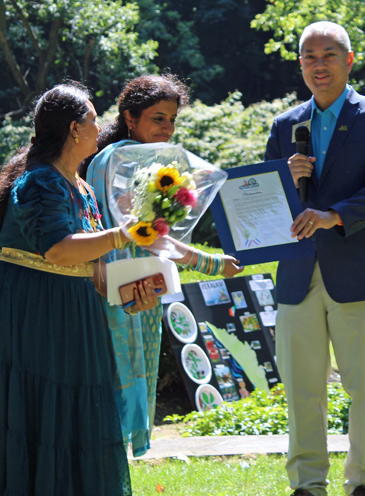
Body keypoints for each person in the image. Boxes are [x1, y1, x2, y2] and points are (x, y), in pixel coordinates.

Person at [0, 83, 157, 496]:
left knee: (72, 418)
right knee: (34, 415)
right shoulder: (38, 182)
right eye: (93, 119)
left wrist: (132, 296)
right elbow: (59, 250)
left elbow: (94, 271)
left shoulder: (82, 189)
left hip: (74, 311)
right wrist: (125, 234)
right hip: (28, 310)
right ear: (73, 129)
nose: (100, 128)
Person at [264, 22, 365, 496]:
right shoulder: (285, 126)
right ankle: (308, 484)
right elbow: (267, 206)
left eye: (328, 55)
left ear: (348, 60)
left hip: (361, 271)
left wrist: (334, 216)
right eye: (309, 56)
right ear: (300, 64)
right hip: (298, 275)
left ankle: (362, 482)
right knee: (303, 390)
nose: (318, 65)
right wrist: (284, 178)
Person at [79, 74, 244, 457]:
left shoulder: (144, 160)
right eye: (158, 118)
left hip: (141, 282)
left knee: (134, 376)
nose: (167, 128)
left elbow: (151, 233)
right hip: (113, 285)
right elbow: (141, 233)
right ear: (130, 118)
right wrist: (210, 263)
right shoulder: (116, 161)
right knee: (115, 382)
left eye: (172, 119)